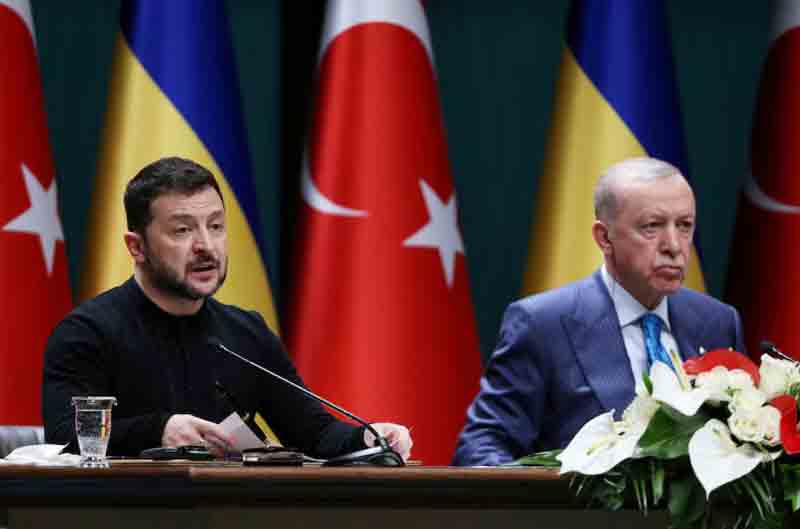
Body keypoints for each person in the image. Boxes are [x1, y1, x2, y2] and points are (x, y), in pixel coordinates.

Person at [43, 157, 412, 460]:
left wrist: (369, 438)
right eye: (182, 230)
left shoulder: (245, 333)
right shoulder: (87, 333)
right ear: (136, 247)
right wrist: (159, 430)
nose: (206, 245)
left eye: (216, 226)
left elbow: (314, 433)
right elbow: (63, 438)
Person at [452, 157, 745, 466]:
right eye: (652, 227)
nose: (674, 246)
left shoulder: (718, 322)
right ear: (605, 238)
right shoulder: (542, 324)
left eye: (684, 226)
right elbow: (480, 449)